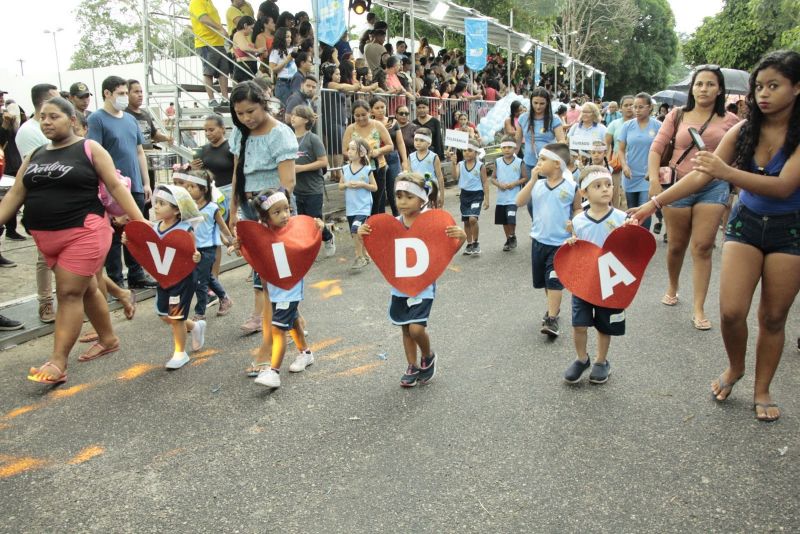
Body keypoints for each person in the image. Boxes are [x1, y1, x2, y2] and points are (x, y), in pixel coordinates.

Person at [631, 50, 800, 422]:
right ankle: (736, 367)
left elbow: (785, 186)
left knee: (773, 317)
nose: (763, 94)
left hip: (791, 230)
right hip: (747, 223)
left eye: (774, 85)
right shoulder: (744, 130)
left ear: (797, 88)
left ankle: (763, 388)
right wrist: (653, 204)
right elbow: (701, 175)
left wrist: (726, 172)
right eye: (758, 86)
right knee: (731, 312)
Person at [0, 97, 145, 384]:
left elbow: (116, 186)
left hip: (84, 231)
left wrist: (141, 222)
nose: (47, 122)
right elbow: (16, 194)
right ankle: (108, 338)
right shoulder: (36, 155)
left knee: (68, 293)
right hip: (45, 237)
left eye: (54, 116)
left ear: (73, 120)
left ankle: (57, 362)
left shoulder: (89, 148)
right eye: (42, 117)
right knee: (88, 288)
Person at [647, 65, 741, 330]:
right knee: (676, 245)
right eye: (699, 84)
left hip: (714, 187)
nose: (704, 89)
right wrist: (654, 180)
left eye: (710, 84)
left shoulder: (730, 121)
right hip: (678, 185)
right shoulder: (677, 115)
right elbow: (657, 148)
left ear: (720, 89)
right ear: (692, 88)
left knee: (702, 246)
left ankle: (699, 307)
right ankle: (673, 286)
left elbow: (738, 155)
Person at [359, 173, 465, 386]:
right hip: (399, 287)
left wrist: (460, 239)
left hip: (423, 286)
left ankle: (427, 355)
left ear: (422, 198)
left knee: (416, 328)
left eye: (408, 197)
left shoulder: (432, 223)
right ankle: (411, 365)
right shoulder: (392, 224)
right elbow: (381, 250)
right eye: (398, 197)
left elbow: (444, 253)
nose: (402, 202)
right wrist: (364, 235)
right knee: (405, 328)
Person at [227, 81, 298, 335]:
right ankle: (262, 315)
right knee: (258, 263)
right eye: (239, 113)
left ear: (264, 105)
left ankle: (289, 318)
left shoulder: (280, 133)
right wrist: (233, 210)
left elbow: (288, 181)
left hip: (276, 209)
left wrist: (273, 215)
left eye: (250, 111)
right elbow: (237, 172)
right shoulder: (239, 132)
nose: (245, 118)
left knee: (281, 267)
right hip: (248, 206)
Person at [236, 189, 321, 387]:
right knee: (292, 324)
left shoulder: (294, 229)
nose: (284, 215)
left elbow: (311, 239)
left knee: (277, 329)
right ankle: (306, 354)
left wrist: (320, 228)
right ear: (265, 217)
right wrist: (240, 244)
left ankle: (273, 371)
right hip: (274, 288)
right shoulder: (262, 234)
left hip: (289, 288)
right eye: (277, 212)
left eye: (287, 209)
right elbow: (252, 251)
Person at [123, 185, 206, 370]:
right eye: (156, 203)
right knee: (164, 314)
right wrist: (129, 242)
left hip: (183, 278)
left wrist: (196, 256)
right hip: (164, 277)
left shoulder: (185, 229)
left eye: (162, 203)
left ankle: (180, 353)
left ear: (177, 209)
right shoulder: (155, 227)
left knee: (176, 317)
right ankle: (195, 326)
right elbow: (147, 250)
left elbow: (193, 252)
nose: (156, 207)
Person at [88, 75, 157, 290]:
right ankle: (116, 281)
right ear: (107, 94)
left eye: (126, 93)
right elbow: (94, 153)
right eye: (120, 93)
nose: (125, 97)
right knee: (113, 236)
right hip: (111, 189)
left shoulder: (130, 119)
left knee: (135, 233)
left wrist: (146, 183)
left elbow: (139, 152)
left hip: (134, 185)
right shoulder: (97, 119)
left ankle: (137, 276)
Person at [563, 166, 629, 384]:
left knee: (604, 325)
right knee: (579, 324)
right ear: (584, 193)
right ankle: (582, 359)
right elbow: (573, 251)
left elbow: (631, 249)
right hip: (583, 281)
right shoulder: (579, 221)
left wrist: (632, 230)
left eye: (608, 185)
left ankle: (601, 361)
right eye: (597, 186)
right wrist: (570, 242)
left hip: (609, 281)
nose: (605, 190)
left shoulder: (621, 218)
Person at [515, 143, 580, 338]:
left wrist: (575, 225)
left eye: (543, 160)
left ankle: (551, 319)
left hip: (560, 244)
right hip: (539, 241)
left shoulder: (571, 186)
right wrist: (533, 178)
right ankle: (554, 309)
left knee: (554, 280)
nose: (538, 163)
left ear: (557, 164)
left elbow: (578, 209)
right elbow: (519, 201)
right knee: (545, 281)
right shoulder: (537, 185)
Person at [16, 83, 60, 323]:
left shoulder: (61, 129)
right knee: (45, 257)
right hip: (41, 204)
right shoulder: (28, 131)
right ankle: (45, 303)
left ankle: (72, 303)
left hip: (66, 204)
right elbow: (38, 170)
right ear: (43, 102)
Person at [172, 167, 234, 320]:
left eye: (192, 187)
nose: (188, 190)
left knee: (200, 281)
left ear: (204, 189)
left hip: (207, 249)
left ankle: (200, 312)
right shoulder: (188, 207)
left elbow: (221, 226)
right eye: (186, 187)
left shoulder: (212, 208)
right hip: (193, 249)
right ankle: (224, 298)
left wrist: (231, 242)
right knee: (206, 277)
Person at [290, 105, 336, 255]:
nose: (292, 117)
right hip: (296, 189)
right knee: (301, 223)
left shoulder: (313, 139)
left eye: (296, 115)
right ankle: (309, 250)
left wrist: (301, 168)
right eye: (292, 114)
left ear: (305, 120)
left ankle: (328, 236)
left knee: (314, 221)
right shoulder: (288, 138)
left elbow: (323, 162)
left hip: (313, 189)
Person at [617, 92, 661, 230]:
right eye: (635, 107)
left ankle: (644, 239)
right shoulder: (627, 126)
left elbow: (664, 150)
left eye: (641, 107)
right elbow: (621, 149)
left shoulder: (658, 126)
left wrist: (653, 171)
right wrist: (624, 166)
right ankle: (633, 239)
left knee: (644, 210)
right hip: (630, 174)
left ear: (650, 108)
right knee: (632, 210)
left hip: (648, 176)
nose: (636, 110)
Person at [342, 100, 394, 215]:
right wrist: (356, 155)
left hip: (378, 168)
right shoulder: (351, 129)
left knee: (377, 201)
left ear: (369, 112)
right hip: (358, 170)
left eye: (363, 115)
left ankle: (377, 226)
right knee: (362, 201)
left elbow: (390, 145)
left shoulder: (378, 125)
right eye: (357, 115)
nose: (361, 118)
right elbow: (344, 150)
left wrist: (378, 151)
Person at [340, 139, 377, 269]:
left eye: (352, 149)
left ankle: (359, 257)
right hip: (351, 207)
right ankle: (366, 254)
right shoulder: (344, 169)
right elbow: (340, 186)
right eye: (349, 149)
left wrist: (362, 184)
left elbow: (374, 187)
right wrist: (346, 184)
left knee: (355, 229)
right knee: (355, 233)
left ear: (361, 153)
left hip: (364, 206)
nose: (349, 152)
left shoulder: (367, 169)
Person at [370, 96, 409, 217]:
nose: (380, 110)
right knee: (380, 191)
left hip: (392, 158)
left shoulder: (393, 122)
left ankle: (398, 216)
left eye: (382, 107)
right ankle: (380, 217)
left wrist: (404, 161)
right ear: (371, 111)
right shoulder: (370, 124)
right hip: (378, 159)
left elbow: (400, 142)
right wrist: (381, 131)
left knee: (394, 188)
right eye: (377, 108)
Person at [449, 138, 489, 254]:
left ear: (476, 152)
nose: (467, 152)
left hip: (477, 194)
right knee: (466, 221)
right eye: (465, 150)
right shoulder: (460, 164)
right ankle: (469, 243)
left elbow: (485, 182)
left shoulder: (480, 166)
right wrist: (453, 163)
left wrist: (487, 199)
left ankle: (476, 242)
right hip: (464, 194)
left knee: (472, 219)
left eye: (470, 150)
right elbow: (455, 176)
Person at [515, 87, 566, 177]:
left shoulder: (554, 119)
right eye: (535, 103)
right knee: (529, 189)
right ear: (531, 102)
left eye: (542, 103)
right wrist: (513, 159)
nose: (538, 106)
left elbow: (561, 142)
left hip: (548, 165)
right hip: (528, 164)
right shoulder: (523, 118)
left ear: (547, 103)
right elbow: (517, 141)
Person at [189, 0, 230, 107]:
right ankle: (211, 99)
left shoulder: (209, 2)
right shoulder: (196, 2)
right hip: (205, 42)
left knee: (224, 71)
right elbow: (203, 18)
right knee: (208, 71)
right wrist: (220, 28)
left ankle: (225, 99)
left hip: (218, 42)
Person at [491, 136, 528, 251]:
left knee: (511, 216)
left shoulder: (519, 162)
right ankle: (509, 239)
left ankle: (512, 235)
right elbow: (492, 178)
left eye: (509, 147)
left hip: (514, 197)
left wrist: (514, 183)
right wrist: (499, 184)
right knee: (504, 220)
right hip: (501, 198)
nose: (507, 150)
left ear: (514, 148)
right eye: (504, 147)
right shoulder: (497, 162)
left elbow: (525, 177)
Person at [604, 95, 634, 209]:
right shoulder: (614, 124)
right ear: (620, 108)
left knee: (629, 195)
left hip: (636, 162)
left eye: (632, 105)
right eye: (626, 105)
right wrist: (607, 162)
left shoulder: (641, 124)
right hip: (616, 164)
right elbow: (606, 144)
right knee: (615, 193)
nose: (629, 108)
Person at [408, 128, 445, 207]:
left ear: (429, 143)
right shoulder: (411, 157)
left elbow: (440, 177)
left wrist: (441, 195)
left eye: (421, 140)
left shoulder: (433, 157)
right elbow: (409, 176)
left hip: (431, 191)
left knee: (431, 215)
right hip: (416, 191)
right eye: (416, 140)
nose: (418, 143)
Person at [231, 16, 266, 83]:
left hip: (250, 65)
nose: (252, 30)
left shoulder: (245, 36)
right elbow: (244, 48)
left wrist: (257, 53)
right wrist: (257, 50)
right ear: (245, 25)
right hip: (244, 66)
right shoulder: (238, 34)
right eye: (251, 28)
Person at [269, 27, 296, 103]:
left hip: (294, 82)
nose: (289, 39)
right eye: (287, 37)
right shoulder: (275, 52)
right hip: (283, 84)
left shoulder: (291, 49)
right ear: (281, 37)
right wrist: (287, 60)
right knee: (284, 109)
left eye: (290, 37)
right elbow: (272, 70)